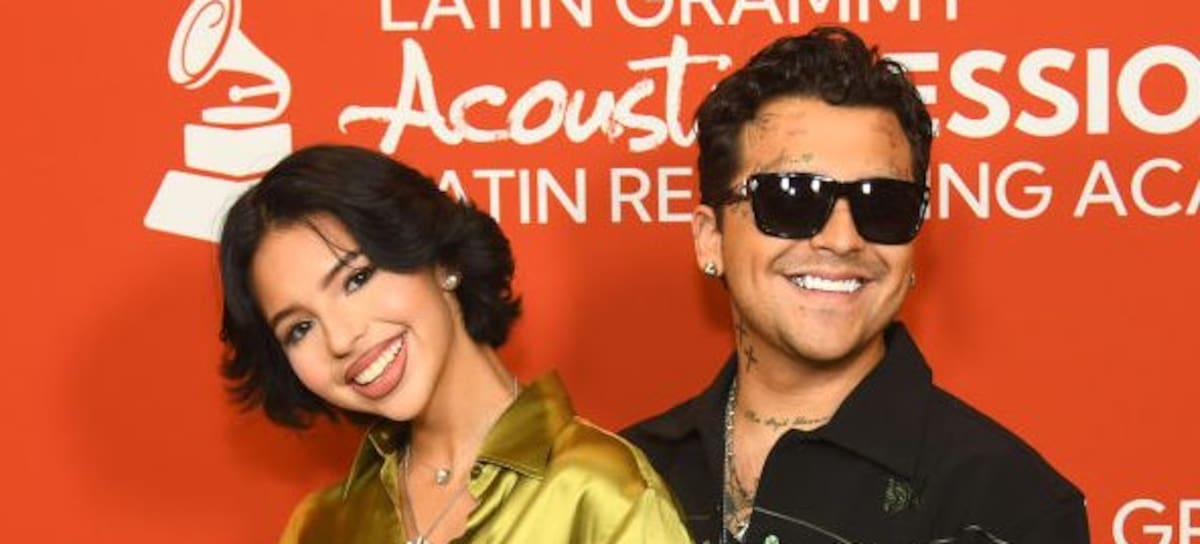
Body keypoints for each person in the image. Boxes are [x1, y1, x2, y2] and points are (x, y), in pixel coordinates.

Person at [623, 27, 1090, 544]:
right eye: (792, 197)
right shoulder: (622, 479)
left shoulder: (1009, 507)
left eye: (882, 205)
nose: (843, 240)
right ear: (711, 240)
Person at [218, 144, 690, 543]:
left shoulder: (599, 492)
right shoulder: (320, 527)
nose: (340, 339)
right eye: (300, 328)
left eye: (357, 279)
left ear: (441, 261)